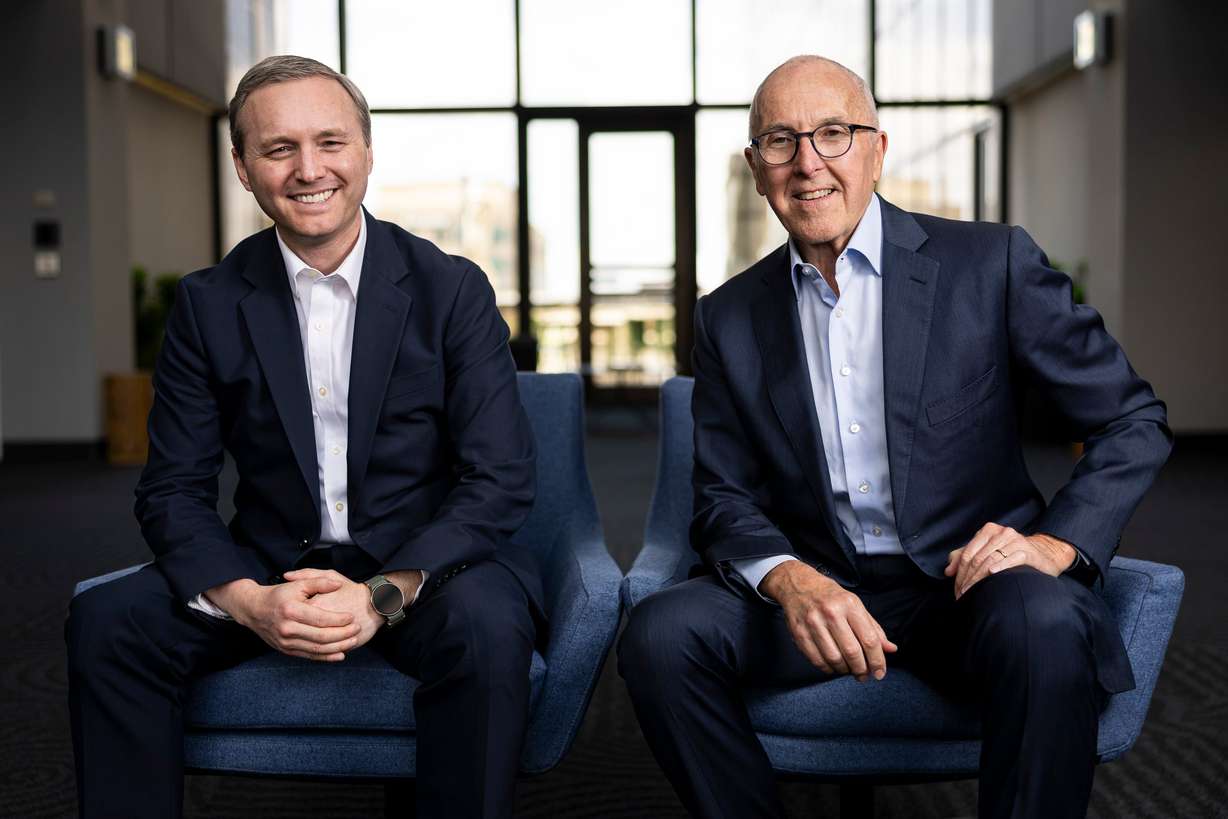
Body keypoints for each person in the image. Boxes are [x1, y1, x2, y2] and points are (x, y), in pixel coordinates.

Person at [618, 55, 1171, 819]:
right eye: (780, 141)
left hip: (968, 587)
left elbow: (1130, 418)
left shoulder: (990, 264)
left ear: (878, 148)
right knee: (659, 634)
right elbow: (721, 494)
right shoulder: (729, 316)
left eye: (833, 134)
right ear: (755, 168)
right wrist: (790, 579)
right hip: (816, 594)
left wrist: (1051, 545)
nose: (807, 163)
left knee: (1045, 622)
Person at [66, 55, 541, 819]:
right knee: (109, 620)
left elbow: (499, 479)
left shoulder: (450, 287)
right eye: (278, 148)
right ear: (243, 167)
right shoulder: (208, 301)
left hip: (423, 568)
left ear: (367, 151)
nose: (308, 168)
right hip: (270, 565)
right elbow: (173, 490)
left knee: (488, 626)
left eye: (330, 142)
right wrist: (250, 602)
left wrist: (383, 593)